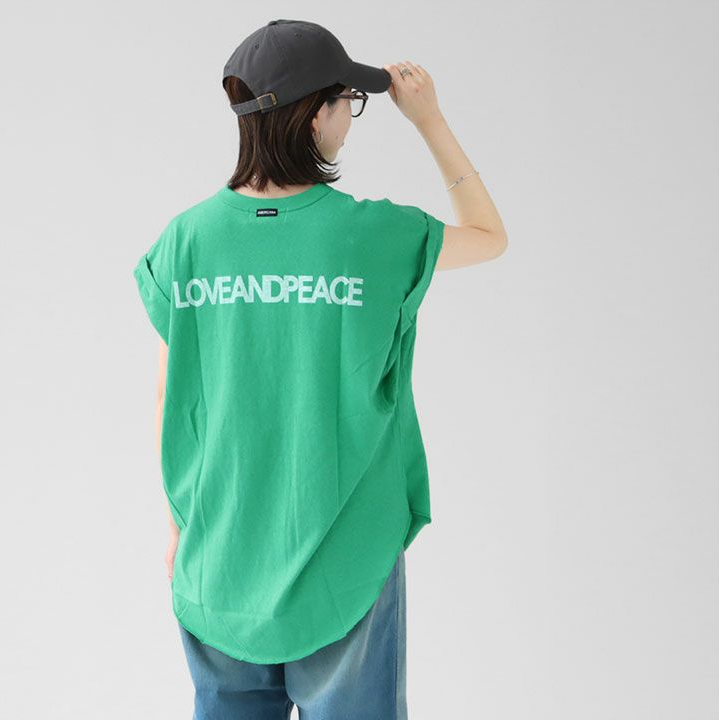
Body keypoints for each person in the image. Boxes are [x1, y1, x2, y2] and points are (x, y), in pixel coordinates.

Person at [133, 19, 507, 720]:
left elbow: (169, 396)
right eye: (348, 102)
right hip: (346, 555)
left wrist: (181, 526)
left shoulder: (185, 241)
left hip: (221, 555)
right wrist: (429, 120)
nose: (349, 119)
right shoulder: (374, 235)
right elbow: (489, 237)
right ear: (316, 114)